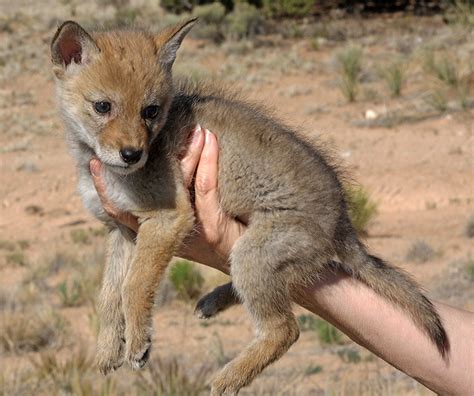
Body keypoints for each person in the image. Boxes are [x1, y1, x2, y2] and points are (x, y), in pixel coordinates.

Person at [89, 126, 473, 395]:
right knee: (250, 260)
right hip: (294, 215)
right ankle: (247, 283)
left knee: (253, 258)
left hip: (293, 214)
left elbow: (166, 220)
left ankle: (275, 331)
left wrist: (231, 254)